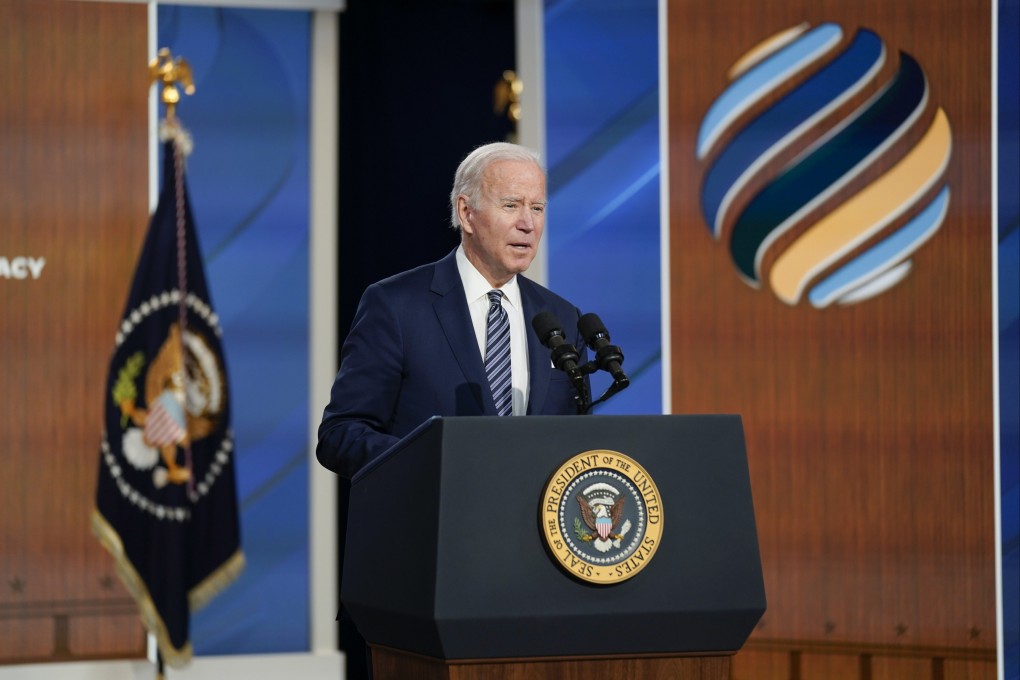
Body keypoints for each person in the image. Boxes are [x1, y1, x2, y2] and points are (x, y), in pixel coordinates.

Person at [316, 142, 589, 679]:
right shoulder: (397, 305)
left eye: (537, 209)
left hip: (538, 584)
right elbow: (341, 434)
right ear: (466, 212)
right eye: (512, 206)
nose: (528, 224)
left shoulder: (560, 319)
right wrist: (432, 464)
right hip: (427, 581)